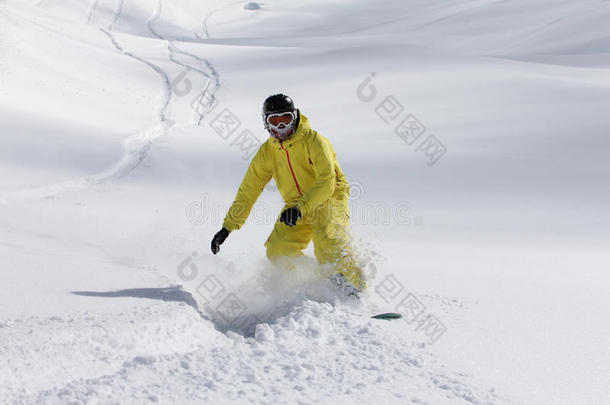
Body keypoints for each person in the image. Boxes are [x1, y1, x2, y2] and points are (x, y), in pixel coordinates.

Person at [210, 94, 364, 294]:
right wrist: (228, 226)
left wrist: (301, 207)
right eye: (274, 121)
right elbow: (248, 190)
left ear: (295, 117)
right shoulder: (267, 152)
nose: (281, 127)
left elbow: (327, 181)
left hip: (330, 196)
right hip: (295, 204)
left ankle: (353, 292)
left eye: (286, 119)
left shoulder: (314, 140)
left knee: (327, 240)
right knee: (278, 250)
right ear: (266, 124)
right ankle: (311, 284)